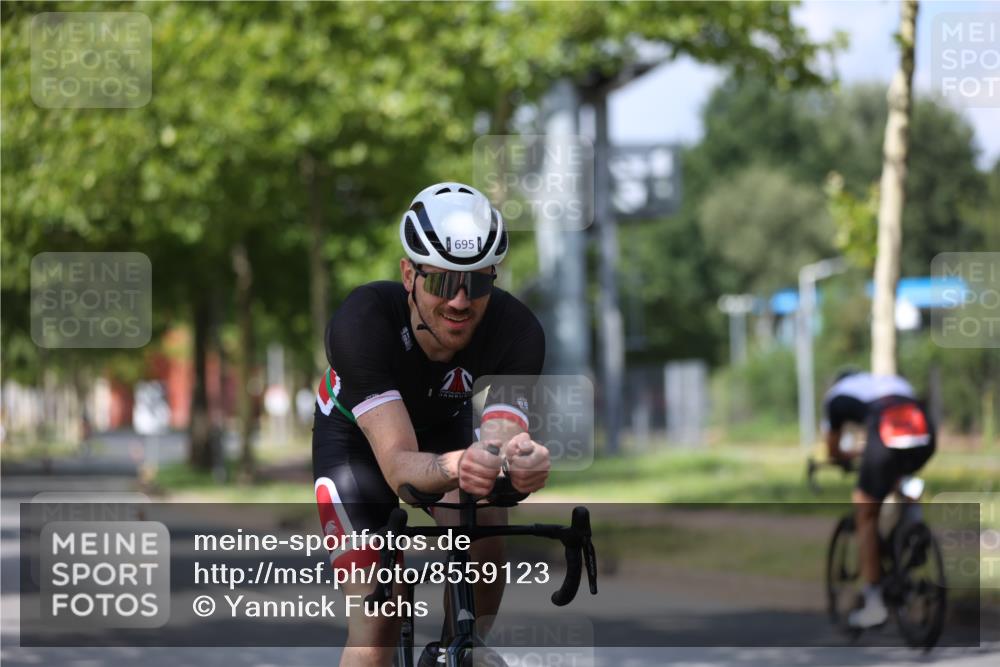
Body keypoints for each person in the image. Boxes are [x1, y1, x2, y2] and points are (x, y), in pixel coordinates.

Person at [312, 182, 550, 667]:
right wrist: (461, 464)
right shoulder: (363, 322)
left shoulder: (518, 330)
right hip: (357, 446)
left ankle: (459, 651)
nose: (461, 302)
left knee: (483, 525)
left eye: (478, 283)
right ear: (408, 274)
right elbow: (400, 466)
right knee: (380, 608)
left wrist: (518, 465)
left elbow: (503, 439)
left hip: (442, 433)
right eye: (443, 282)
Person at [822, 369, 936, 629]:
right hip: (924, 431)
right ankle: (913, 528)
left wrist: (842, 459)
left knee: (865, 509)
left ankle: (874, 603)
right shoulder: (888, 381)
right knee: (899, 475)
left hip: (884, 433)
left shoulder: (835, 396)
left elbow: (832, 447)